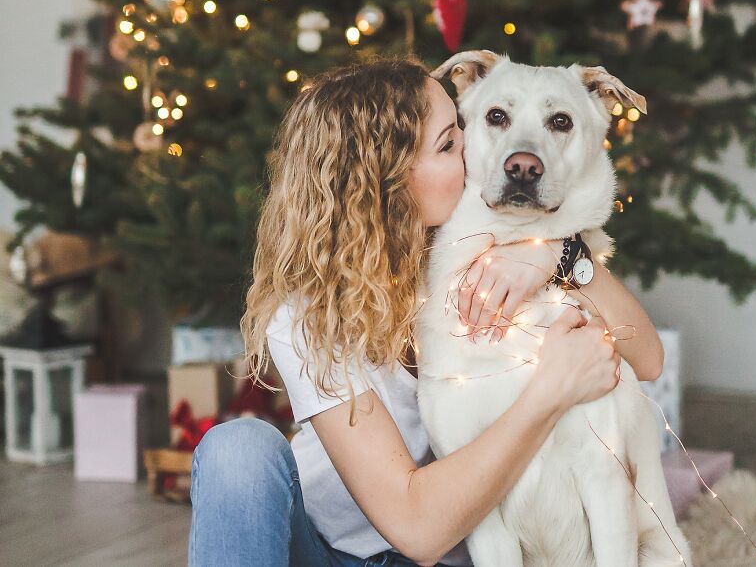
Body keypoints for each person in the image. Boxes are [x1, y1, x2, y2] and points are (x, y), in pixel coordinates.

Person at [188, 57, 665, 567]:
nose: (484, 153)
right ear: (386, 179)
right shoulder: (308, 310)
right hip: (337, 551)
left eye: (465, 131)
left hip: (461, 558)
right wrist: (550, 392)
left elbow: (648, 358)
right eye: (448, 145)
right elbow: (416, 529)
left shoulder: (494, 250)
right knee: (237, 449)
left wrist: (559, 255)